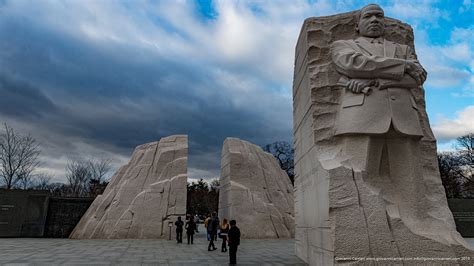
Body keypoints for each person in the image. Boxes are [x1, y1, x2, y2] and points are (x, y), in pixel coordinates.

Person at [330, 3, 430, 233]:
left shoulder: (402, 48)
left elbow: (417, 79)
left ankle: (419, 228)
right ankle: (363, 231)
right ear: (357, 24)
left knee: (411, 183)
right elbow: (352, 64)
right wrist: (402, 67)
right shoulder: (343, 45)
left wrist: (378, 80)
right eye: (369, 16)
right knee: (359, 179)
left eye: (380, 16)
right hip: (361, 117)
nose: (375, 19)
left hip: (404, 117)